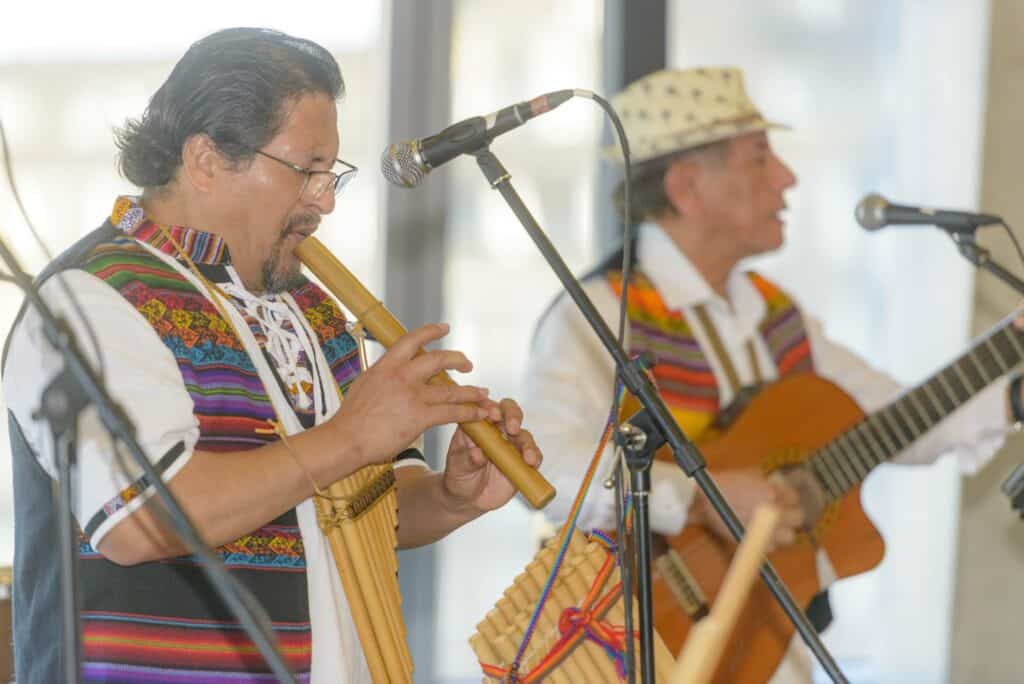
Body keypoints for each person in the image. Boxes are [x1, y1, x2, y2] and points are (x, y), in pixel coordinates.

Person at [2, 28, 541, 683]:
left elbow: (367, 505)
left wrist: (453, 497)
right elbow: (143, 521)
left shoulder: (306, 304)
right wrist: (349, 436)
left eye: (331, 173)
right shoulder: (91, 298)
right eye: (307, 171)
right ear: (206, 159)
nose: (325, 200)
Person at [522, 66, 1018, 683]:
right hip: (640, 648)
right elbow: (543, 466)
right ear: (687, 187)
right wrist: (699, 496)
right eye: (760, 159)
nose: (787, 178)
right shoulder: (597, 316)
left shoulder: (775, 314)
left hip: (773, 651)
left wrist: (1013, 395)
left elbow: (899, 418)